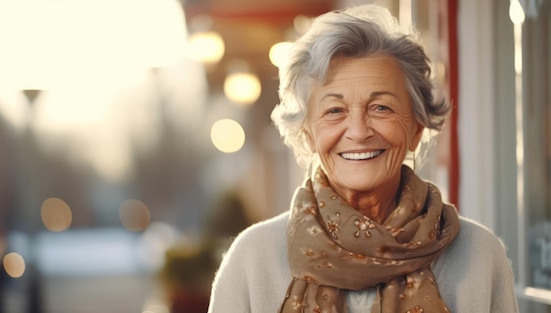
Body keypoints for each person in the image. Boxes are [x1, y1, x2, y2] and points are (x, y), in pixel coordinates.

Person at [208, 4, 518, 313]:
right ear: (307, 135)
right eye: (334, 111)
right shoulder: (252, 261)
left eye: (381, 107)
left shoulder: (478, 256)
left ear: (417, 128)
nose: (358, 131)